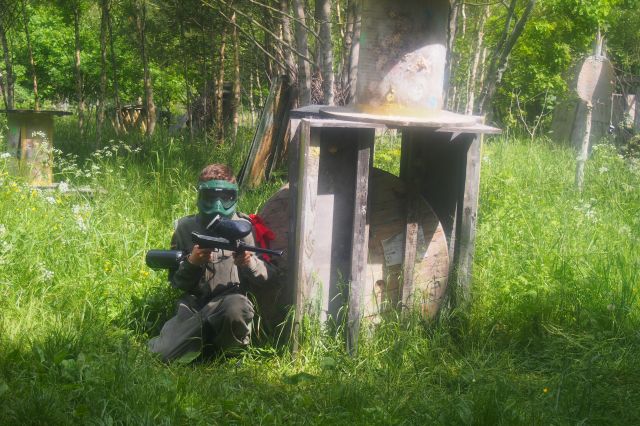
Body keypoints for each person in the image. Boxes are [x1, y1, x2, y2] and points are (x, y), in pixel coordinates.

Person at [148, 164, 277, 362]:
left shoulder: (246, 228)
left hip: (230, 304)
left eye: (225, 197)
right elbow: (177, 283)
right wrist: (192, 263)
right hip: (193, 307)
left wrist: (249, 263)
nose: (218, 204)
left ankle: (229, 351)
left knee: (236, 307)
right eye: (210, 197)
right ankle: (202, 344)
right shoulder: (185, 228)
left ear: (234, 196)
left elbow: (270, 278)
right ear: (200, 196)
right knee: (161, 354)